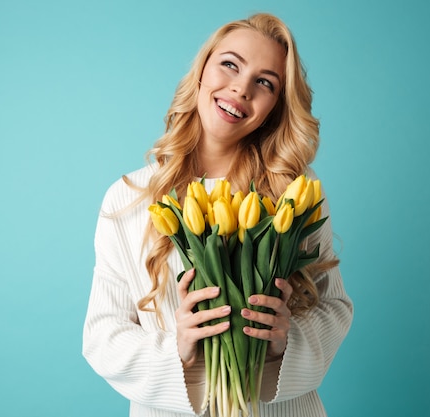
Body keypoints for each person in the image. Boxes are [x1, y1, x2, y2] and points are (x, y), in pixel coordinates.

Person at [83, 13, 353, 417]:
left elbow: (334, 307)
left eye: (265, 82)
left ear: (274, 107)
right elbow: (101, 335)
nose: (241, 88)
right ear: (202, 70)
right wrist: (177, 347)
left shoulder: (294, 191)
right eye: (230, 64)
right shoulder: (130, 198)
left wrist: (285, 341)